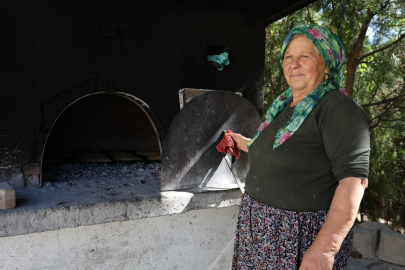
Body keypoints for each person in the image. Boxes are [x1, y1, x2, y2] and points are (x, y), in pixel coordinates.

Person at [229, 24, 370, 270]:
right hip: (259, 229)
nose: (293, 64)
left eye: (304, 56)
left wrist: (324, 250)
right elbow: (283, 151)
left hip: (299, 237)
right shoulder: (284, 106)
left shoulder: (338, 109)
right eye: (288, 56)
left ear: (327, 64)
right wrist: (241, 142)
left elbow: (353, 182)